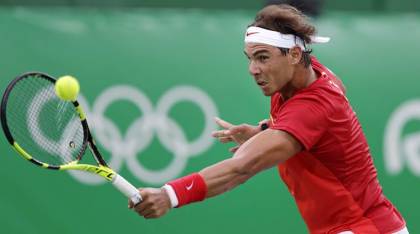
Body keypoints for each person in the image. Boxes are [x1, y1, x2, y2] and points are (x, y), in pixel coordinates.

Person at [128, 4, 408, 234]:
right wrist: (265, 128)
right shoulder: (311, 76)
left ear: (295, 55)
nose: (253, 69)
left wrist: (170, 195)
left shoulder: (313, 106)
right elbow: (313, 122)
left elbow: (242, 168)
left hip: (364, 228)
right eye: (250, 58)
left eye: (263, 58)